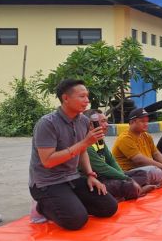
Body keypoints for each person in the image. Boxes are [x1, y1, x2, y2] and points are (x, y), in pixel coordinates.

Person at [28, 79, 118, 230]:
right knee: (76, 221)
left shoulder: (82, 121)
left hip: (72, 177)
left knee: (109, 207)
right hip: (47, 182)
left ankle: (70, 202)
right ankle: (41, 207)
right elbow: (48, 161)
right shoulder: (47, 123)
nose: (87, 101)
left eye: (87, 96)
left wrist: (90, 174)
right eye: (82, 96)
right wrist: (85, 143)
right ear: (65, 98)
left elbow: (82, 152)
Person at [84, 110, 157, 201]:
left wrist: (123, 176)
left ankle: (128, 192)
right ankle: (134, 191)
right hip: (97, 180)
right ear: (91, 125)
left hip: (108, 176)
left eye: (106, 121)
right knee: (127, 185)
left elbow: (111, 161)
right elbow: (103, 168)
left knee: (142, 174)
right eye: (103, 121)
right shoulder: (86, 144)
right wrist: (127, 179)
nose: (107, 125)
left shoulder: (100, 140)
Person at [113, 108, 162, 186]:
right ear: (132, 122)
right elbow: (139, 160)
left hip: (148, 167)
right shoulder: (125, 138)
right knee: (155, 171)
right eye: (142, 121)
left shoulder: (146, 135)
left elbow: (156, 153)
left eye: (147, 121)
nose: (146, 124)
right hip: (132, 171)